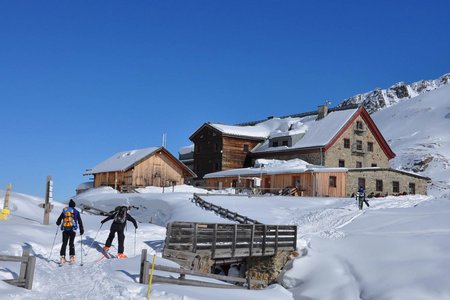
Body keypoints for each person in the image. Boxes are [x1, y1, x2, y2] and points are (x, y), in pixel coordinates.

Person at [56, 199, 84, 264]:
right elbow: (80, 221)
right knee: (71, 243)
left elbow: (59, 219)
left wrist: (58, 223)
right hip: (72, 230)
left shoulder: (65, 211)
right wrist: (81, 229)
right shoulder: (76, 212)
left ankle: (62, 257)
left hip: (65, 229)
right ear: (74, 205)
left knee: (64, 243)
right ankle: (72, 257)